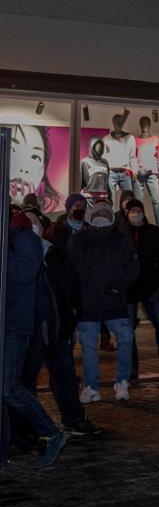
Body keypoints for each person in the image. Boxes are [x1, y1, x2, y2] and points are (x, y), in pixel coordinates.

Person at [25, 210, 101, 438]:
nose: (31, 227)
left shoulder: (55, 254)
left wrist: (72, 313)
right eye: (26, 223)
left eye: (34, 222)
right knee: (25, 381)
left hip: (57, 327)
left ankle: (74, 419)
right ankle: (30, 427)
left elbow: (71, 286)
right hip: (29, 329)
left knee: (64, 376)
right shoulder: (18, 254)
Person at [2, 208, 67, 468]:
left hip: (16, 325)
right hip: (6, 322)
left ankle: (50, 432)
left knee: (9, 387)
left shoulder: (24, 237)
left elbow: (25, 273)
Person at [70, 200, 140, 402]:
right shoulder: (80, 238)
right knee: (91, 346)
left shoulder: (121, 239)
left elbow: (133, 267)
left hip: (112, 300)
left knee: (124, 340)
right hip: (90, 301)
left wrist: (119, 286)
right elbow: (71, 268)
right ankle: (93, 387)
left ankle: (121, 382)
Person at [122, 198, 159, 380]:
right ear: (126, 213)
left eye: (138, 210)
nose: (135, 214)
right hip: (129, 289)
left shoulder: (153, 232)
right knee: (127, 330)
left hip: (149, 287)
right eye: (132, 211)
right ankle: (132, 366)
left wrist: (157, 280)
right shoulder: (121, 233)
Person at [8, 123, 64, 214]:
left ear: (42, 171)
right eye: (11, 149)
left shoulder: (51, 215)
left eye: (35, 157)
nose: (24, 168)